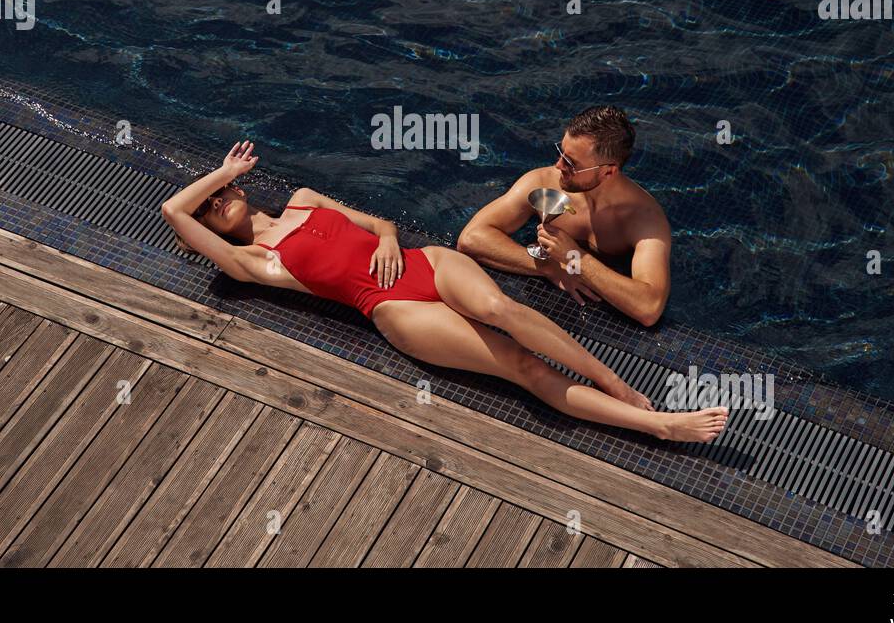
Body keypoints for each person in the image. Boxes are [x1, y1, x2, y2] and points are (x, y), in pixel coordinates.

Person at [161, 141, 726, 443]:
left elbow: (380, 224)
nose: (218, 202)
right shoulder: (252, 262)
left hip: (423, 262)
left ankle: (616, 383)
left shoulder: (305, 198)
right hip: (394, 307)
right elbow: (171, 209)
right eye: (211, 207)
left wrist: (385, 238)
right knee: (520, 366)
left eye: (223, 192)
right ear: (208, 231)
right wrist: (218, 173)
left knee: (503, 308)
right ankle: (659, 425)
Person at [458, 106, 672, 327]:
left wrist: (575, 259)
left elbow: (649, 307)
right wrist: (550, 267)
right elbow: (471, 238)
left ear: (608, 171)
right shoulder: (542, 182)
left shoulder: (644, 219)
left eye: (571, 163)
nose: (558, 165)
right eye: (561, 152)